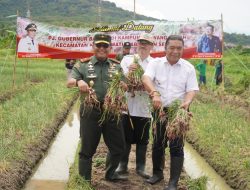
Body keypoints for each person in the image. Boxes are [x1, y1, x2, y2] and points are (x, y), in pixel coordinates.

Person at [67, 33, 127, 183]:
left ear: (110, 48)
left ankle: (110, 173)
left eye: (105, 46)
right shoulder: (82, 64)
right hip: (90, 110)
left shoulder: (116, 66)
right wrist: (79, 81)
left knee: (118, 147)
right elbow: (69, 81)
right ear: (93, 46)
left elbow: (126, 85)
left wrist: (124, 86)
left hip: (111, 111)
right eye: (98, 45)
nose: (101, 48)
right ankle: (84, 181)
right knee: (87, 149)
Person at [142, 35, 199, 190]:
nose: (175, 51)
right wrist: (154, 93)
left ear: (182, 49)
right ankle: (157, 174)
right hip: (160, 110)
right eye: (171, 48)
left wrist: (187, 102)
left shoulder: (188, 68)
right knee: (158, 143)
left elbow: (191, 89)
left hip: (178, 112)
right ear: (165, 48)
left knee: (176, 146)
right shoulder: (156, 63)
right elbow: (146, 78)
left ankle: (173, 182)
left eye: (178, 48)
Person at [116, 33, 154, 179]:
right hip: (127, 108)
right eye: (141, 42)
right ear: (137, 44)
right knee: (125, 138)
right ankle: (122, 165)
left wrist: (144, 85)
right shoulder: (127, 60)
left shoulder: (154, 63)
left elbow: (154, 83)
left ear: (151, 46)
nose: (143, 45)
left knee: (142, 139)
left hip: (144, 108)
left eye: (146, 43)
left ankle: (140, 167)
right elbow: (119, 79)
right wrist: (128, 72)